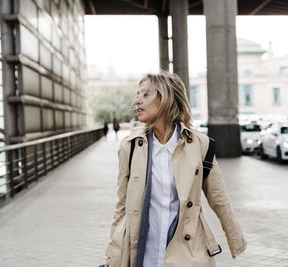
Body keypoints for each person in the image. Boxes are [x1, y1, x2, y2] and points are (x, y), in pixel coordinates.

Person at [104, 72, 246, 267]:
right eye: (138, 94)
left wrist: (235, 239)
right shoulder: (130, 147)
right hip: (143, 252)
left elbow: (219, 198)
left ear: (166, 99)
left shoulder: (200, 145)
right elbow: (121, 208)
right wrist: (112, 256)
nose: (137, 101)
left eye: (146, 95)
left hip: (186, 251)